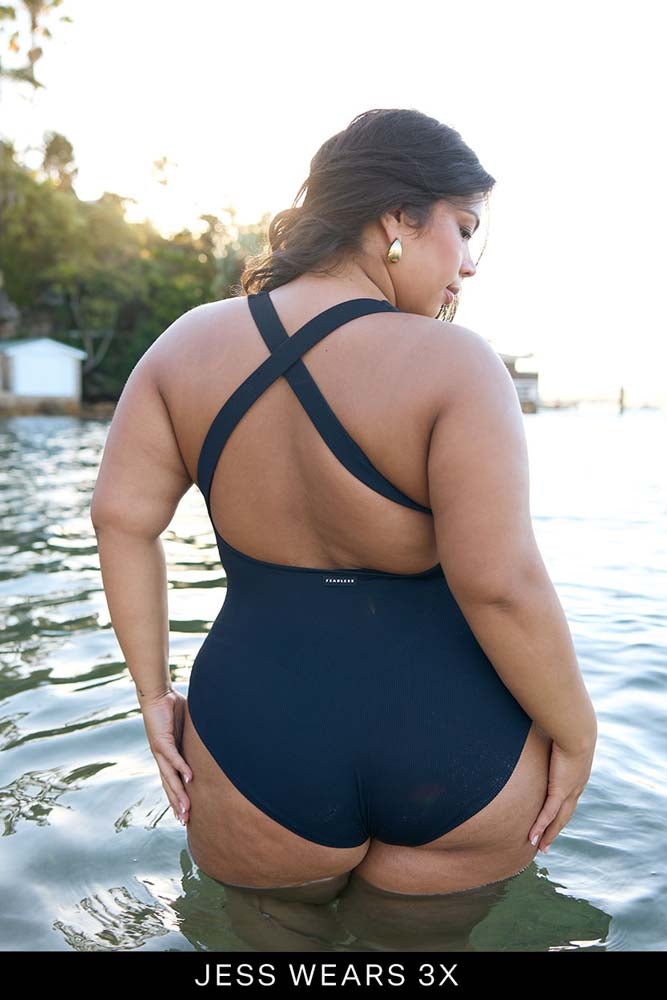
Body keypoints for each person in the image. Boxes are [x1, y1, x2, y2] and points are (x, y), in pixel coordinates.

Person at [90, 108, 597, 899]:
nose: (466, 264)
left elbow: (120, 522)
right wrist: (576, 729)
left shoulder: (182, 347)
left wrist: (153, 697)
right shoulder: (456, 366)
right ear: (397, 216)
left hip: (253, 739)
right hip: (454, 746)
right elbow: (497, 583)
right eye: (462, 229)